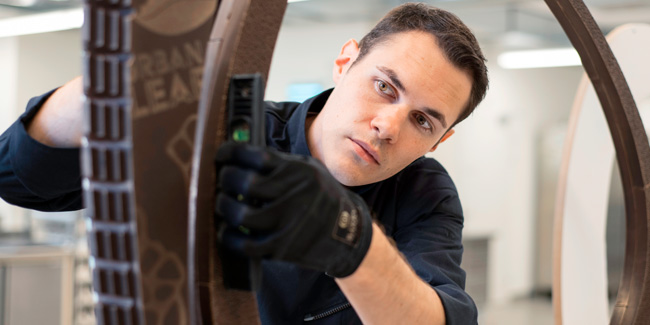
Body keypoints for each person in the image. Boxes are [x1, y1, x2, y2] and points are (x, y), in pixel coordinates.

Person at [0, 3, 488, 324]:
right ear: (346, 62)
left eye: (423, 121)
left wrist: (352, 242)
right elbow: (20, 180)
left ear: (440, 140)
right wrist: (107, 89)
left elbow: (443, 317)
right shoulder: (231, 129)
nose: (388, 126)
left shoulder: (425, 192)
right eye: (385, 86)